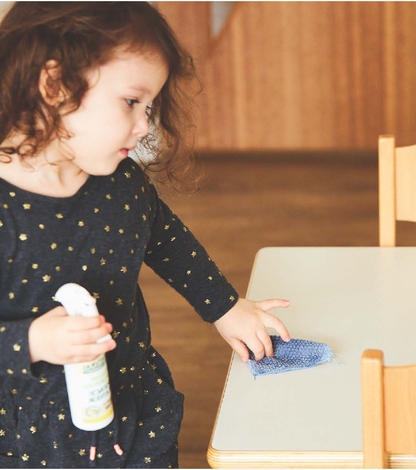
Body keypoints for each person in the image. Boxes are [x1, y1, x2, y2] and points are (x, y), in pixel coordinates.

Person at [0, 3, 290, 467]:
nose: (144, 126)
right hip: (25, 441)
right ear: (54, 85)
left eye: (150, 107)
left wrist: (224, 307)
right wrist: (31, 342)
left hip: (134, 418)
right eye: (132, 102)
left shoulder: (120, 183)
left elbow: (165, 239)